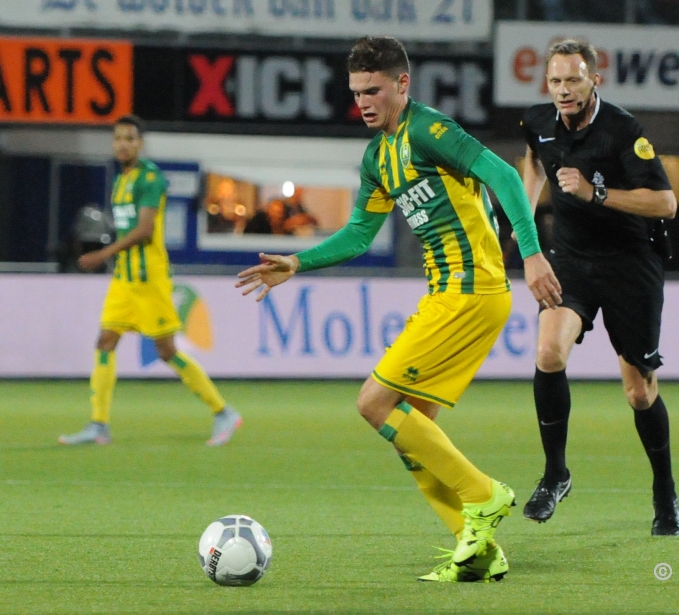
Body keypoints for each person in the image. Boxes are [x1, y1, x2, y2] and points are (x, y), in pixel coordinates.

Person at [236, 36, 562, 582]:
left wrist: (531, 255)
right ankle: (476, 550)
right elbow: (360, 234)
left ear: (402, 85)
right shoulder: (376, 156)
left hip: (471, 289)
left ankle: (485, 495)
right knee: (415, 434)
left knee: (373, 403)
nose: (363, 101)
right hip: (447, 294)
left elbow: (506, 175)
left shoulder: (428, 130)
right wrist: (298, 263)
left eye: (373, 90)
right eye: (356, 92)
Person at [519, 40, 679, 536]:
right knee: (549, 352)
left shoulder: (624, 131)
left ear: (594, 80)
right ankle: (555, 474)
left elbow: (667, 203)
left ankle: (664, 491)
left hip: (631, 265)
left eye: (573, 80)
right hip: (571, 261)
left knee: (638, 392)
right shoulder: (538, 122)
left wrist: (596, 192)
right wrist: (524, 220)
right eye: (555, 81)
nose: (563, 90)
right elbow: (531, 162)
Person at [59, 114, 241, 447]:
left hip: (148, 278)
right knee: (105, 341)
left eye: (129, 138)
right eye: (117, 138)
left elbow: (143, 231)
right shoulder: (121, 180)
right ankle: (98, 425)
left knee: (167, 350)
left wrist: (103, 254)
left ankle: (222, 411)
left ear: (140, 143)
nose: (122, 144)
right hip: (124, 279)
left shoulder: (150, 178)